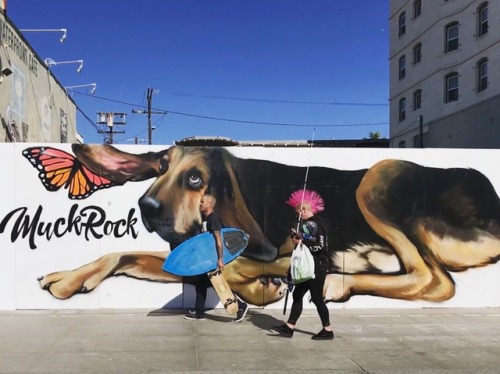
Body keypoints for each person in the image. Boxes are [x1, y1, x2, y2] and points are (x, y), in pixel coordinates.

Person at [275, 189, 334, 340]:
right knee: (298, 294)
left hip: (315, 267)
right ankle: (289, 326)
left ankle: (328, 330)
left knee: (316, 298)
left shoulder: (311, 224)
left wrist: (300, 239)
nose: (298, 215)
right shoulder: (320, 223)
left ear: (304, 210)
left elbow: (318, 245)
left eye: (299, 212)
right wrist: (300, 238)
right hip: (314, 266)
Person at [184, 194, 249, 322]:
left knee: (214, 285)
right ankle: (199, 312)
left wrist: (220, 259)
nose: (200, 204)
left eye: (202, 202)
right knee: (205, 284)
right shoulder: (207, 219)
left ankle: (241, 306)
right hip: (207, 259)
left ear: (210, 204)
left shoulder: (213, 219)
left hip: (212, 259)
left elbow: (218, 238)